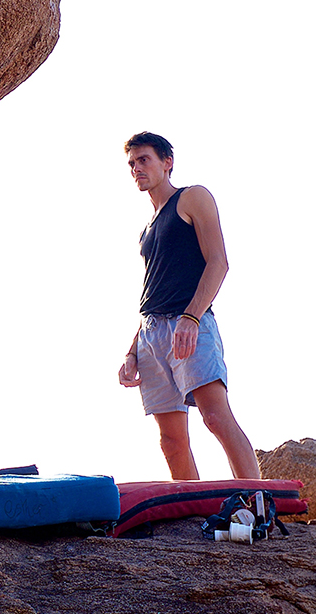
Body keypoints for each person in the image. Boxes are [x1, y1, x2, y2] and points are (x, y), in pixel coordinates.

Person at [116, 132, 260, 480]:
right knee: (171, 441)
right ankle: (190, 519)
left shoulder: (192, 198)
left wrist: (191, 316)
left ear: (167, 162)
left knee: (215, 417)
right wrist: (131, 351)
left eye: (144, 159)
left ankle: (258, 504)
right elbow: (153, 290)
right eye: (132, 163)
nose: (137, 168)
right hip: (151, 333)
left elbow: (219, 262)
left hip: (189, 323)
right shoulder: (146, 230)